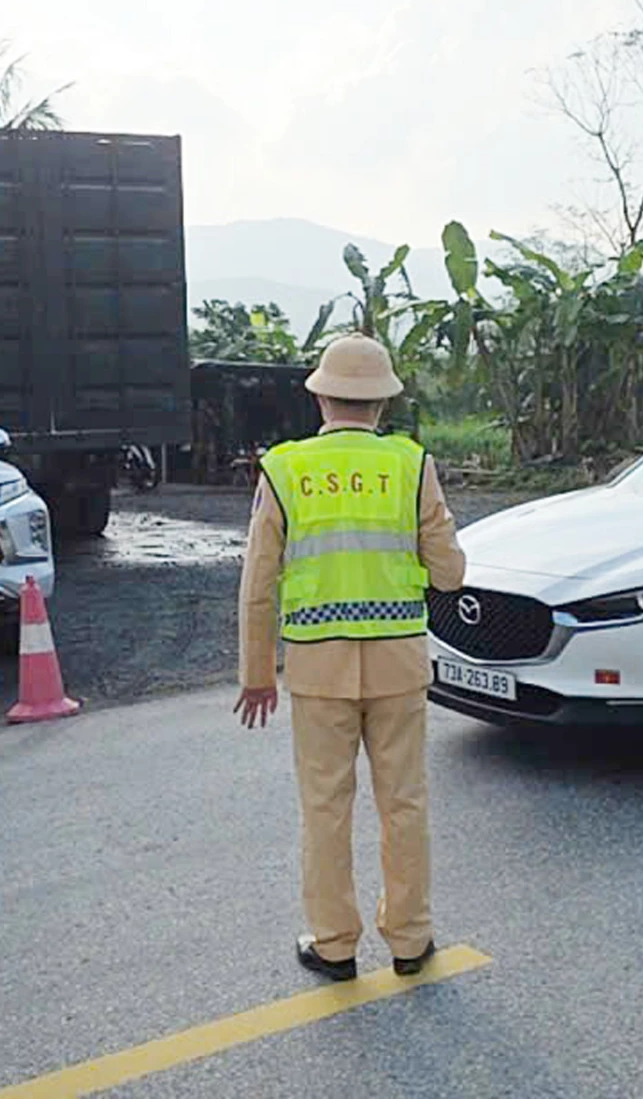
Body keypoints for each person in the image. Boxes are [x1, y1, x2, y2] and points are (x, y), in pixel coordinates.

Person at [234, 333, 466, 981]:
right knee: (405, 803)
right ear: (383, 404)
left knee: (326, 808)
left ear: (320, 398)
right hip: (398, 666)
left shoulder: (283, 469)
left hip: (317, 670)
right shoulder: (411, 465)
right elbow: (449, 574)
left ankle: (335, 944)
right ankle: (411, 939)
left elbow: (258, 583)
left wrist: (258, 674)